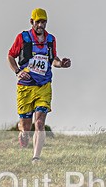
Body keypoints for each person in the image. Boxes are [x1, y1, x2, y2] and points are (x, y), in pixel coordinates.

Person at [7, 8, 71, 162]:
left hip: (44, 86)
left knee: (40, 122)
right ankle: (22, 132)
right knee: (26, 126)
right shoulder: (23, 38)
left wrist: (61, 64)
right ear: (32, 22)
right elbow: (10, 56)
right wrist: (17, 71)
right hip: (25, 87)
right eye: (38, 22)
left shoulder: (51, 40)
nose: (41, 25)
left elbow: (53, 60)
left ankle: (36, 158)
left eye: (44, 22)